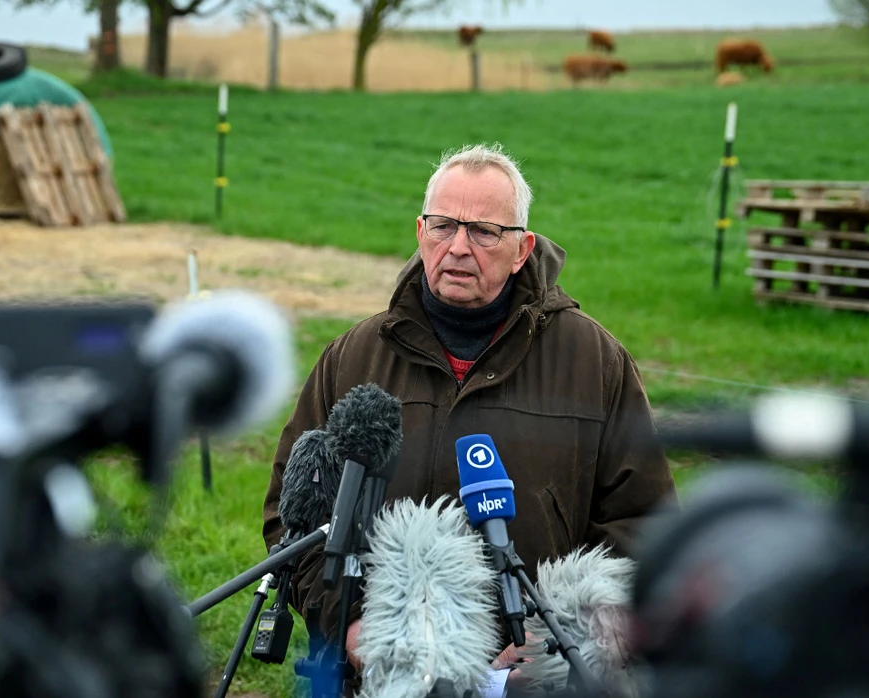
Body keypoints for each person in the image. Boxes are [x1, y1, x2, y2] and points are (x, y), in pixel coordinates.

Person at [261, 142, 677, 683]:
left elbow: (644, 522)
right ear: (420, 232)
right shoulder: (352, 359)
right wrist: (348, 624)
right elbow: (294, 518)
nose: (458, 246)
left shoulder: (595, 362)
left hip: (537, 685)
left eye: (484, 231)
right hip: (384, 676)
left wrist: (558, 642)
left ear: (522, 249)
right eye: (442, 226)